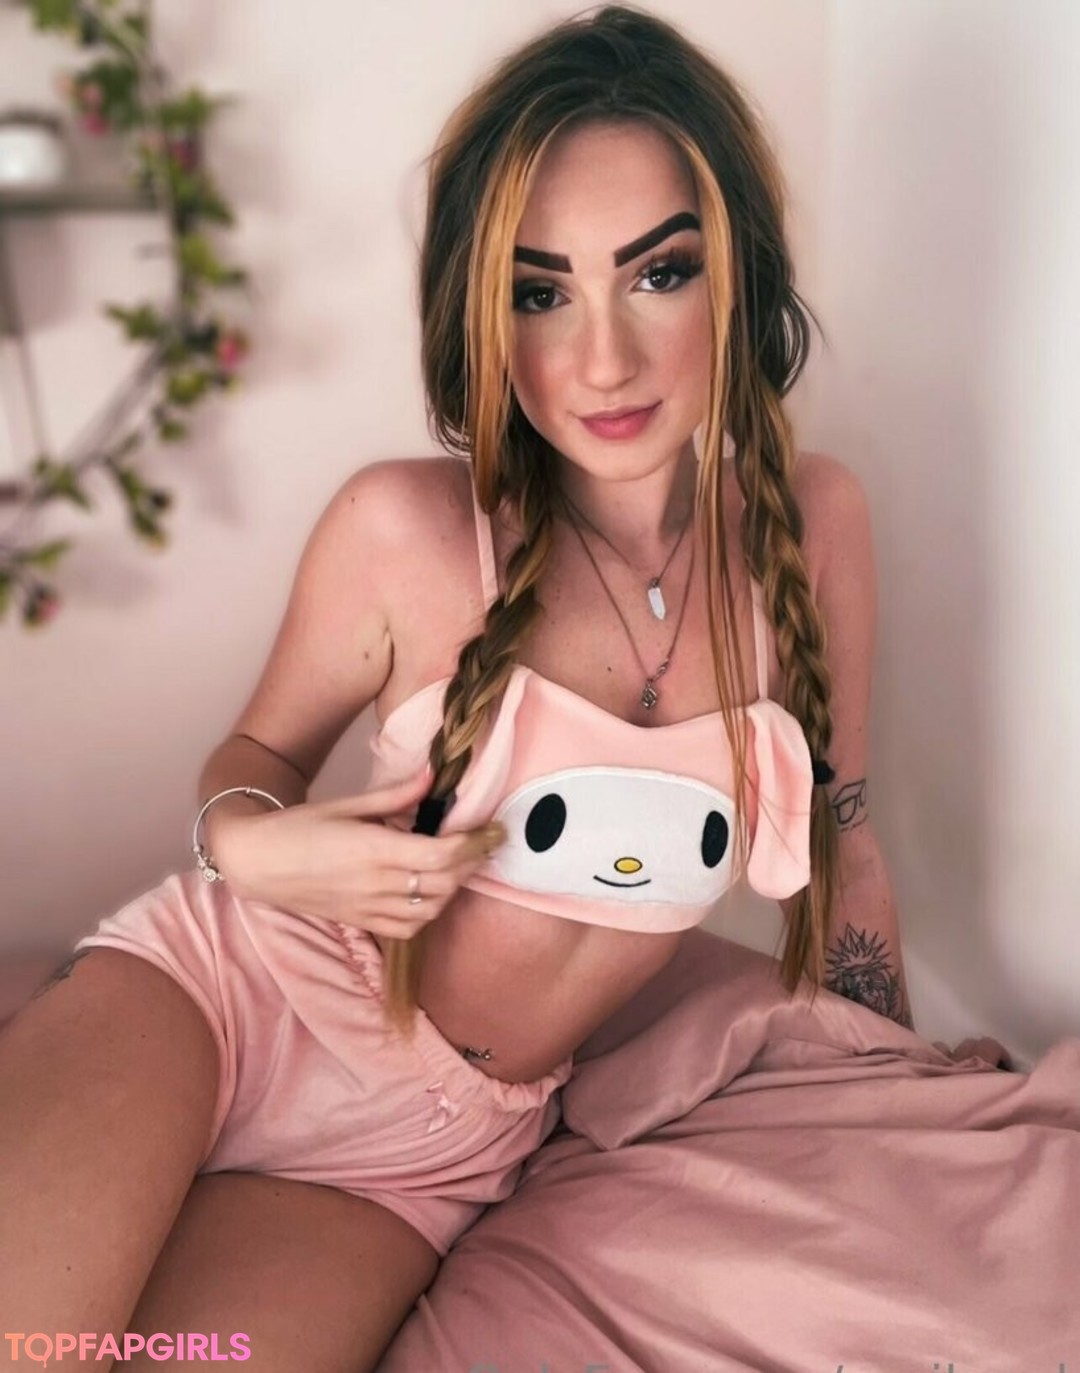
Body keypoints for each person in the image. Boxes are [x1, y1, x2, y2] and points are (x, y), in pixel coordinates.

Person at [0, 4, 959, 1369]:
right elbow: (255, 757)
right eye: (539, 290)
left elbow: (845, 849)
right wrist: (256, 846)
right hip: (219, 1004)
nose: (603, 361)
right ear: (482, 311)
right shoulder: (405, 530)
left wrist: (896, 1108)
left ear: (739, 269)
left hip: (427, 1153)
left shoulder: (814, 529)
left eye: (658, 273)